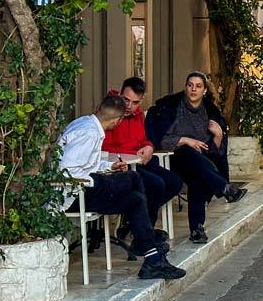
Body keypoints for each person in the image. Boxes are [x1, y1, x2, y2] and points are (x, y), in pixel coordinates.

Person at [59, 96, 186, 280]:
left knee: (135, 199)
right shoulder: (89, 132)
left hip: (86, 189)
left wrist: (109, 167)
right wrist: (99, 181)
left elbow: (87, 164)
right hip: (75, 194)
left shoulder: (86, 124)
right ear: (117, 120)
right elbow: (68, 171)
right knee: (133, 177)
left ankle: (152, 259)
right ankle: (145, 242)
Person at [146, 72, 247, 244]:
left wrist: (219, 136)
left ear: (205, 90)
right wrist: (185, 140)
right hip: (172, 157)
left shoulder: (210, 112)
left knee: (198, 178)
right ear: (185, 87)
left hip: (201, 162)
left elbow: (215, 152)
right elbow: (161, 140)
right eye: (190, 85)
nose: (193, 89)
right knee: (188, 151)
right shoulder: (172, 107)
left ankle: (197, 229)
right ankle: (224, 188)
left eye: (198, 86)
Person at [102, 77, 183, 236]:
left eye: (135, 102)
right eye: (126, 100)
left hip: (139, 161)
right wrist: (132, 155)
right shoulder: (109, 111)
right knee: (156, 184)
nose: (129, 106)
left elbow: (143, 139)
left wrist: (149, 147)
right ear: (120, 93)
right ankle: (145, 234)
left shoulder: (138, 114)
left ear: (141, 100)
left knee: (175, 182)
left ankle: (135, 222)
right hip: (119, 166)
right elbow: (104, 148)